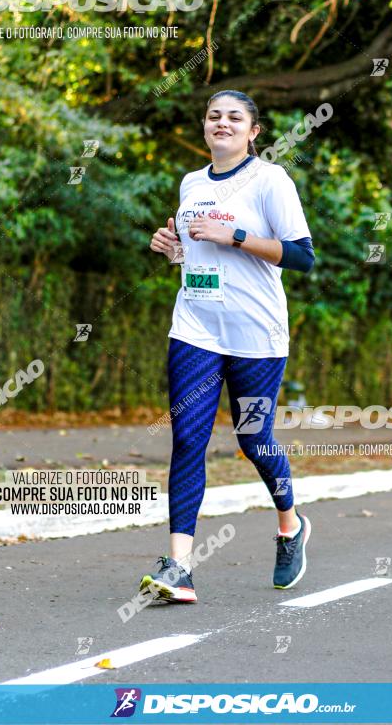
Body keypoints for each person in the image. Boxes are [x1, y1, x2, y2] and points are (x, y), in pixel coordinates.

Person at [140, 90, 315, 603]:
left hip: (256, 334)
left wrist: (235, 234)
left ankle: (290, 525)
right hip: (195, 326)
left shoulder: (270, 181)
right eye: (214, 116)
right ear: (204, 127)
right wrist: (175, 252)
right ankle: (180, 566)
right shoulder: (191, 182)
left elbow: (302, 258)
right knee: (189, 440)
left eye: (234, 117)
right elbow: (198, 253)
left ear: (253, 131)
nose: (223, 123)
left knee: (253, 439)